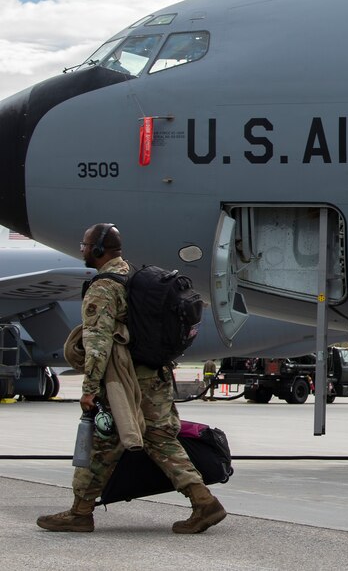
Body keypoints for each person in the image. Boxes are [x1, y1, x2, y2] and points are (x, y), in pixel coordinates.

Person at [36, 223, 226, 534]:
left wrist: (89, 389)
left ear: (98, 250)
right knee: (159, 439)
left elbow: (98, 344)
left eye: (84, 245)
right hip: (154, 375)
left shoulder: (103, 287)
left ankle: (80, 513)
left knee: (101, 441)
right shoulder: (130, 274)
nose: (81, 249)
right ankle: (203, 501)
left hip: (126, 381)